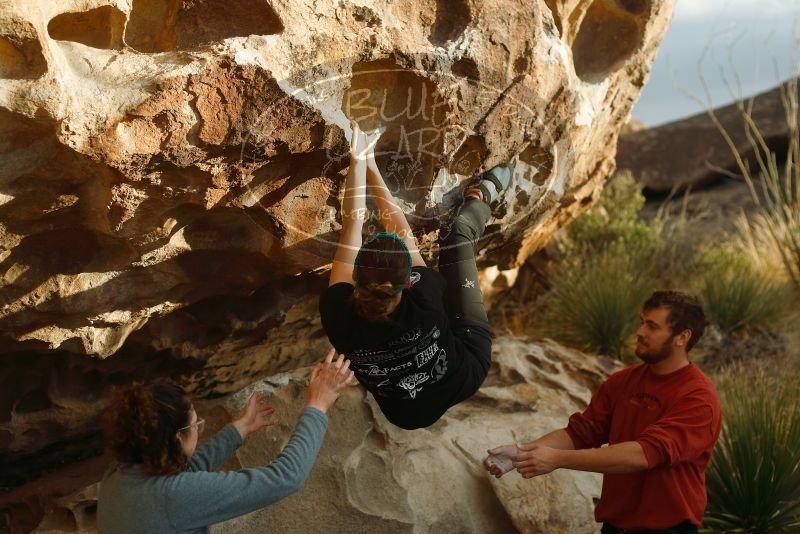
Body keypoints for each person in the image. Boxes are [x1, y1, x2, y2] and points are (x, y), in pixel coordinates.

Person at [319, 120, 512, 429]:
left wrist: (361, 163)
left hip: (404, 415)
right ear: (410, 281)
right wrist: (364, 163)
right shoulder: (421, 297)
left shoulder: (341, 313)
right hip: (465, 372)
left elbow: (355, 228)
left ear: (356, 277)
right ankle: (481, 196)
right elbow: (367, 226)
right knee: (457, 232)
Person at [484, 291, 722, 534]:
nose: (640, 332)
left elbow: (643, 455)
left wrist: (556, 459)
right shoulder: (623, 381)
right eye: (642, 323)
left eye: (652, 326)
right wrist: (521, 453)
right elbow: (581, 432)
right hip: (614, 527)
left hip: (668, 529)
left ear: (682, 337)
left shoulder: (698, 398)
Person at [97, 349, 354, 534]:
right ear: (177, 437)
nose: (199, 428)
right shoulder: (173, 498)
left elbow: (181, 478)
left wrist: (239, 429)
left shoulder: (119, 473)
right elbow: (285, 478)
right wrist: (317, 404)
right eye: (196, 424)